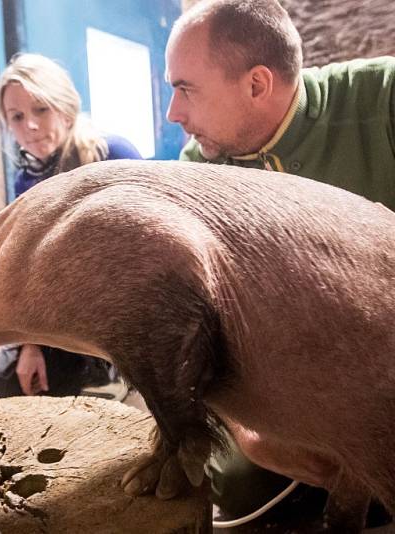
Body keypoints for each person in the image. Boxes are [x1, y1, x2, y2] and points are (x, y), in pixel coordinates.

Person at [164, 0, 395, 522]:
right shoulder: (199, 170)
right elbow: (196, 322)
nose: (173, 114)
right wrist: (246, 428)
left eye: (185, 88)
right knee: (236, 483)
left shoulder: (385, 97)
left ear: (257, 84)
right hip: (277, 382)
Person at [0, 53, 141, 401]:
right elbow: (28, 268)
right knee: (1, 379)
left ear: (65, 108)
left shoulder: (111, 153)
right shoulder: (26, 180)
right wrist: (31, 345)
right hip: (65, 320)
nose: (31, 126)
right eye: (17, 116)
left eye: (41, 109)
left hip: (124, 313)